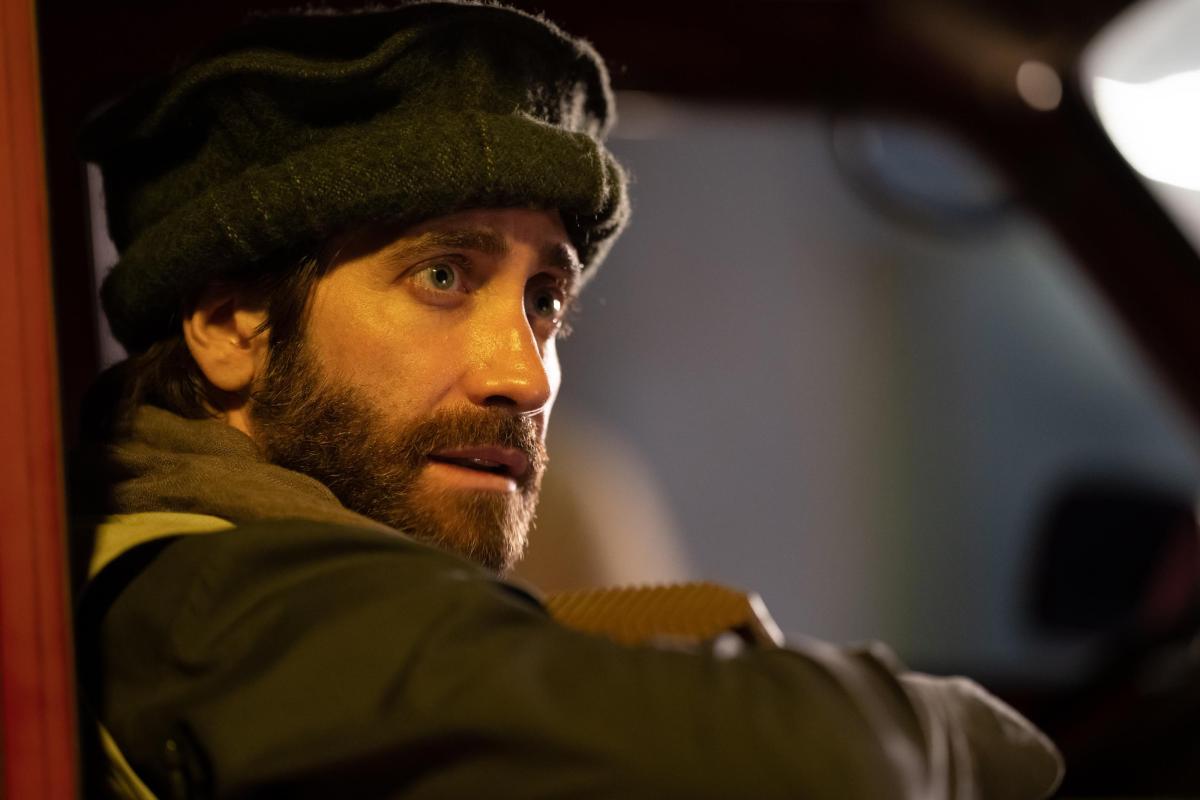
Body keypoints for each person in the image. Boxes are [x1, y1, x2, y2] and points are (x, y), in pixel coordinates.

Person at [71, 3, 1064, 798]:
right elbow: (835, 765)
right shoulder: (214, 603)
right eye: (443, 277)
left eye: (545, 299)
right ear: (231, 324)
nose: (529, 374)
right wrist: (973, 739)